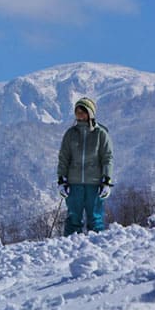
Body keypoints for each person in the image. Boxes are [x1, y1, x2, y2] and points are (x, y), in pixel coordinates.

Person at [57, 97, 114, 236]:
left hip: (94, 184)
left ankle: (96, 249)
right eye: (77, 112)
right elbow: (64, 158)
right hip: (74, 183)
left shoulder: (100, 134)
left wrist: (106, 180)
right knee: (73, 218)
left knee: (95, 218)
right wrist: (61, 180)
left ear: (90, 113)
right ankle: (69, 248)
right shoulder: (70, 134)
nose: (80, 115)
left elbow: (107, 158)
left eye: (83, 111)